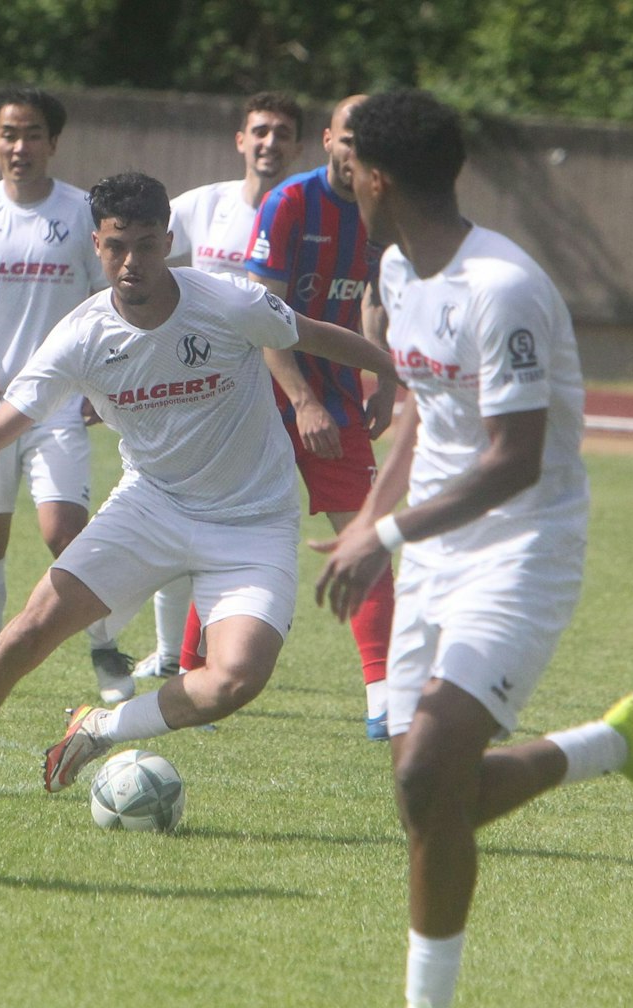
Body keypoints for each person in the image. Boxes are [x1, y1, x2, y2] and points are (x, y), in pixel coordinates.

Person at [308, 91, 633, 1008]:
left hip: (518, 548)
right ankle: (611, 744)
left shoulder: (501, 289)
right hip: (429, 549)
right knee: (428, 796)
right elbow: (422, 418)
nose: (336, 171)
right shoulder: (396, 265)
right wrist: (372, 530)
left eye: (346, 159)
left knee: (429, 775)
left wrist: (381, 527)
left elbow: (513, 460)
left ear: (378, 178)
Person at [0, 172, 396, 813]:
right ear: (96, 244)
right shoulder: (81, 335)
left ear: (169, 241)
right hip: (151, 506)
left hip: (253, 520)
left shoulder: (229, 302)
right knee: (26, 634)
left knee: (235, 679)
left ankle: (100, 728)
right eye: (117, 246)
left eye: (147, 245)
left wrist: (399, 371)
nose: (132, 262)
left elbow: (313, 334)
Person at [0, 86, 136, 705]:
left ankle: (104, 646)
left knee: (65, 534)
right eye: (9, 135)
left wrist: (103, 378)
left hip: (57, 404)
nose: (21, 146)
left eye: (34, 134)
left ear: (54, 142)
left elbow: (109, 300)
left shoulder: (79, 212)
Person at [125, 91, 305, 683]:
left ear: (296, 145)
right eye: (260, 131)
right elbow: (136, 259)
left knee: (253, 519)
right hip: (201, 383)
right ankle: (174, 655)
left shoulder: (304, 211)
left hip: (285, 375)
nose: (269, 143)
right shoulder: (205, 205)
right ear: (241, 140)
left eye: (282, 133)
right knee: (183, 502)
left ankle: (228, 640)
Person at [242, 94, 399, 740]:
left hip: (337, 401)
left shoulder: (381, 206)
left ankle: (385, 698)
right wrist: (302, 400)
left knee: (367, 541)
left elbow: (373, 295)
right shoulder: (288, 204)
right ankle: (189, 672)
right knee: (239, 533)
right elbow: (263, 316)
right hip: (264, 398)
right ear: (329, 138)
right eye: (347, 137)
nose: (354, 150)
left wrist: (384, 380)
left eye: (367, 141)